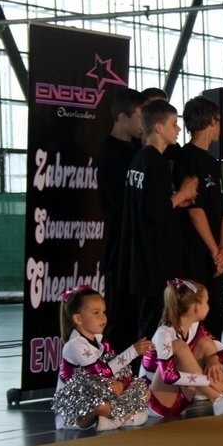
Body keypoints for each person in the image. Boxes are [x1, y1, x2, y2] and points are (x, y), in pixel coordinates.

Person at [117, 99, 199, 342]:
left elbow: (147, 205)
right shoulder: (157, 162)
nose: (178, 129)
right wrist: (183, 194)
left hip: (141, 257)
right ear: (159, 128)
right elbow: (156, 212)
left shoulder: (139, 160)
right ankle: (151, 375)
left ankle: (149, 373)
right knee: (155, 322)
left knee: (148, 318)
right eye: (174, 124)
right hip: (156, 260)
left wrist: (176, 200)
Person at [139, 279, 223, 417]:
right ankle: (218, 399)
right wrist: (209, 381)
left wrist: (214, 359)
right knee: (179, 346)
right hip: (155, 401)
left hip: (182, 397)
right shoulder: (164, 333)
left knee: (206, 343)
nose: (208, 306)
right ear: (196, 307)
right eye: (206, 302)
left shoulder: (196, 328)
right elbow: (168, 376)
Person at [52, 286, 152, 431]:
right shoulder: (74, 345)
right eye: (96, 313)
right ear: (78, 318)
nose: (103, 317)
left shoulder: (101, 342)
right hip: (76, 408)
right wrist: (133, 351)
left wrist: (122, 385)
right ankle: (117, 419)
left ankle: (110, 420)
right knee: (102, 406)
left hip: (105, 394)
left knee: (145, 393)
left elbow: (122, 371)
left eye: (104, 312)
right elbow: (100, 372)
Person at [174, 96, 223, 342]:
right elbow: (194, 210)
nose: (221, 128)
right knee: (195, 311)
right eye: (218, 121)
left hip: (215, 253)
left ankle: (214, 368)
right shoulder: (186, 158)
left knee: (215, 312)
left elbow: (222, 210)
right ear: (210, 121)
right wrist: (214, 249)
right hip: (195, 250)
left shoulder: (213, 163)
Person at [96, 88, 145, 352]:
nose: (142, 123)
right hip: (120, 249)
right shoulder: (109, 153)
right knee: (120, 317)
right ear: (123, 117)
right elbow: (122, 202)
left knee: (140, 318)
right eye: (139, 116)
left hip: (140, 250)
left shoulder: (141, 149)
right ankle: (113, 376)